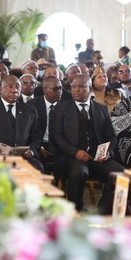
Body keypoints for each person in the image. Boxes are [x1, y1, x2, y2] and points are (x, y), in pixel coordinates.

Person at [50, 74, 123, 214]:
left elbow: (111, 136)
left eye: (81, 87)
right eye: (73, 86)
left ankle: (103, 209)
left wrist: (108, 152)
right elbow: (56, 136)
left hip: (98, 157)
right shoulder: (61, 108)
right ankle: (75, 209)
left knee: (120, 173)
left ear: (90, 89)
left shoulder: (101, 109)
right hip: (71, 157)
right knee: (80, 172)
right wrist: (75, 152)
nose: (76, 90)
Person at [0, 75, 43, 171]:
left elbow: (36, 136)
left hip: (23, 157)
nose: (14, 90)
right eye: (9, 87)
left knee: (37, 167)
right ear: (0, 89)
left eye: (17, 87)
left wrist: (31, 150)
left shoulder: (30, 110)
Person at [28, 75, 62, 173]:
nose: (59, 91)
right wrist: (39, 147)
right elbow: (29, 132)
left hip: (59, 145)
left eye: (60, 88)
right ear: (44, 89)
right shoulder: (32, 105)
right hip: (38, 144)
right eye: (56, 89)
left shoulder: (65, 106)